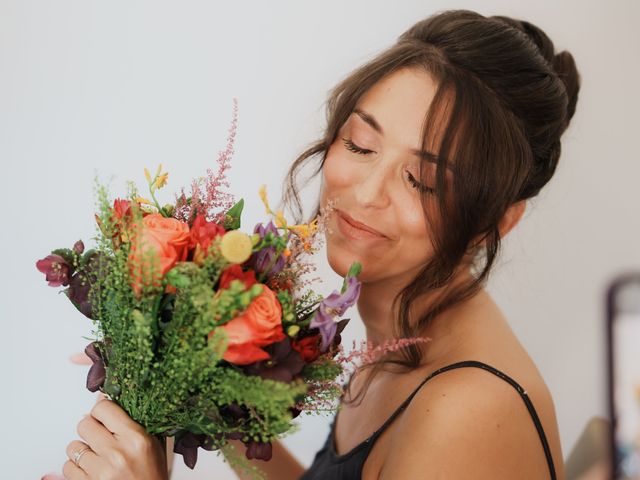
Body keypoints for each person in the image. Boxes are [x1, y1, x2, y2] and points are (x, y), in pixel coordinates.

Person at [51, 8, 582, 480]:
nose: (368, 193)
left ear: (499, 221)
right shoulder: (395, 332)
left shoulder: (465, 411)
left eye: (422, 181)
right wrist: (208, 392)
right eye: (361, 144)